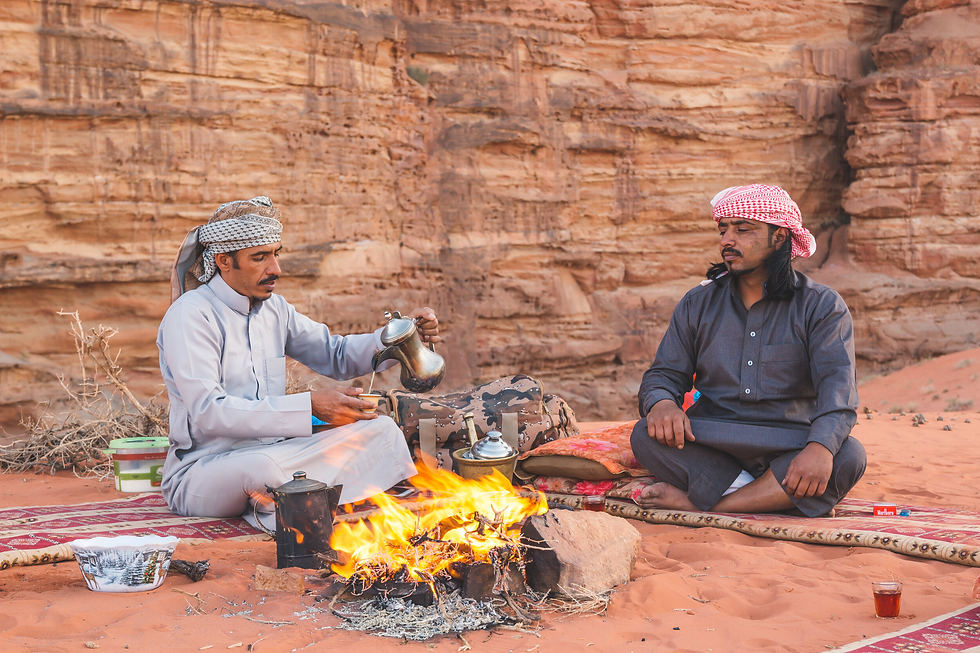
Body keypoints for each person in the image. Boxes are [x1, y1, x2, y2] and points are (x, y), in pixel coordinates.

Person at [158, 196, 432, 529]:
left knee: (381, 431)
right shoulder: (190, 316)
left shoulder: (275, 309)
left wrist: (399, 338)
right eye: (259, 258)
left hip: (281, 453)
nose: (275, 269)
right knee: (262, 471)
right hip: (204, 471)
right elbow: (210, 412)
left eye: (276, 254)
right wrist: (310, 408)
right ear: (224, 261)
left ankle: (296, 506)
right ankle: (303, 511)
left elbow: (335, 355)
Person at [630, 184, 866, 517]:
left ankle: (712, 503)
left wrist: (820, 448)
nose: (728, 240)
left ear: (780, 238)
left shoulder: (822, 306)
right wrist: (663, 403)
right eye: (723, 229)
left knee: (847, 456)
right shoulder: (698, 303)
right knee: (645, 435)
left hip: (789, 440)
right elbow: (664, 373)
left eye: (743, 229)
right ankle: (770, 495)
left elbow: (838, 391)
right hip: (713, 437)